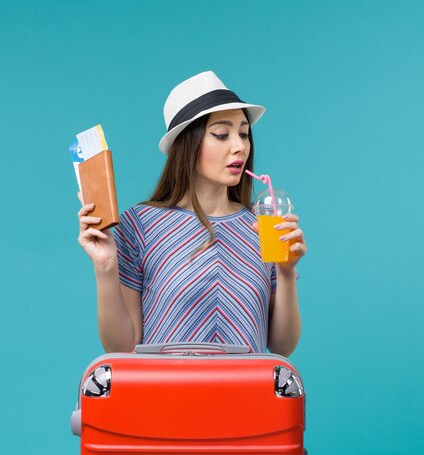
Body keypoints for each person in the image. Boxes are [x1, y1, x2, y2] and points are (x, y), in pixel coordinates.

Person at [77, 71, 307, 356]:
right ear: (188, 144)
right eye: (221, 134)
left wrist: (286, 273)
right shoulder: (140, 225)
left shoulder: (263, 227)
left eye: (244, 134)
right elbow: (122, 348)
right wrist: (105, 268)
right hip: (165, 396)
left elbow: (282, 348)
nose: (239, 146)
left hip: (246, 398)